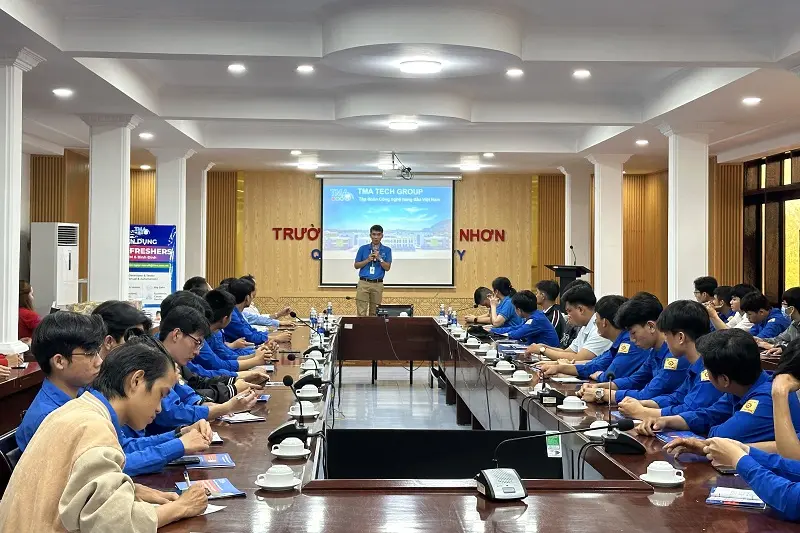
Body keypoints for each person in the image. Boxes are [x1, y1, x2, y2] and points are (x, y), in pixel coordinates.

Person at [0, 341, 209, 531]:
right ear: (136, 381)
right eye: (161, 395)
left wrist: (131, 489)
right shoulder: (94, 428)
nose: (159, 408)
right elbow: (115, 525)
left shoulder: (81, 410)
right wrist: (182, 507)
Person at [16, 310, 212, 477]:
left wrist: (178, 434)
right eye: (90, 354)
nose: (99, 361)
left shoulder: (84, 396)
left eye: (97, 352)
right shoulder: (51, 417)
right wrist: (177, 446)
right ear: (60, 361)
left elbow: (121, 447)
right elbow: (111, 467)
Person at [636, 329, 800, 444]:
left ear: (724, 379)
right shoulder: (741, 386)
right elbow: (709, 414)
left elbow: (721, 434)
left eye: (707, 370)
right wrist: (666, 421)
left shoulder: (765, 398)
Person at [615, 300, 720, 420]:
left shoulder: (709, 368)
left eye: (666, 334)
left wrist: (644, 412)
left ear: (680, 337)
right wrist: (643, 404)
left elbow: (690, 410)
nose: (665, 340)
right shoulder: (695, 364)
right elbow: (676, 397)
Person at [579, 293, 689, 405]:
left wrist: (602, 394)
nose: (632, 340)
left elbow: (647, 394)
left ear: (651, 326)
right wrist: (598, 387)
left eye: (633, 333)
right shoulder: (654, 351)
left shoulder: (675, 355)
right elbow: (635, 380)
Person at [538, 295, 649, 382]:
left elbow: (610, 374)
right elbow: (596, 364)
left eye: (596, 320)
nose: (595, 323)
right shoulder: (617, 342)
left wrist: (600, 376)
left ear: (604, 322)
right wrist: (559, 367)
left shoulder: (628, 342)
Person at [526, 283, 612, 362]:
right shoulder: (585, 326)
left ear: (580, 309)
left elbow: (579, 358)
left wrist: (543, 350)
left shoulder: (599, 329)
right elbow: (567, 352)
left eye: (569, 311)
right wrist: (543, 347)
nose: (568, 315)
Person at [222, 278, 292, 345]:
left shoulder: (237, 313)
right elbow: (250, 337)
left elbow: (251, 331)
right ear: (247, 297)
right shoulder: (232, 315)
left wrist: (274, 335)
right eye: (251, 295)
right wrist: (276, 338)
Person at [489, 290, 559, 346]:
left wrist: (499, 333)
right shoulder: (534, 315)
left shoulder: (536, 319)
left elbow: (517, 334)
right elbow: (516, 328)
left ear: (519, 310)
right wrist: (492, 330)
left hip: (547, 355)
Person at [353, 224, 392, 317]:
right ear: (370, 235)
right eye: (374, 234)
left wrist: (380, 258)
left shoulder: (387, 250)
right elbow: (356, 265)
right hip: (364, 283)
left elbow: (387, 268)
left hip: (378, 284)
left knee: (375, 313)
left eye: (378, 234)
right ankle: (361, 327)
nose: (376, 237)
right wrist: (367, 260)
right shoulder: (363, 248)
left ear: (382, 236)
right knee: (361, 312)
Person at [759, 287, 800, 355]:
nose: (782, 307)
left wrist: (782, 348)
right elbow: (780, 338)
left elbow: (797, 347)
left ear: (791, 309)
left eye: (784, 304)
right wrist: (761, 340)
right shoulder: (794, 323)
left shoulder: (776, 319)